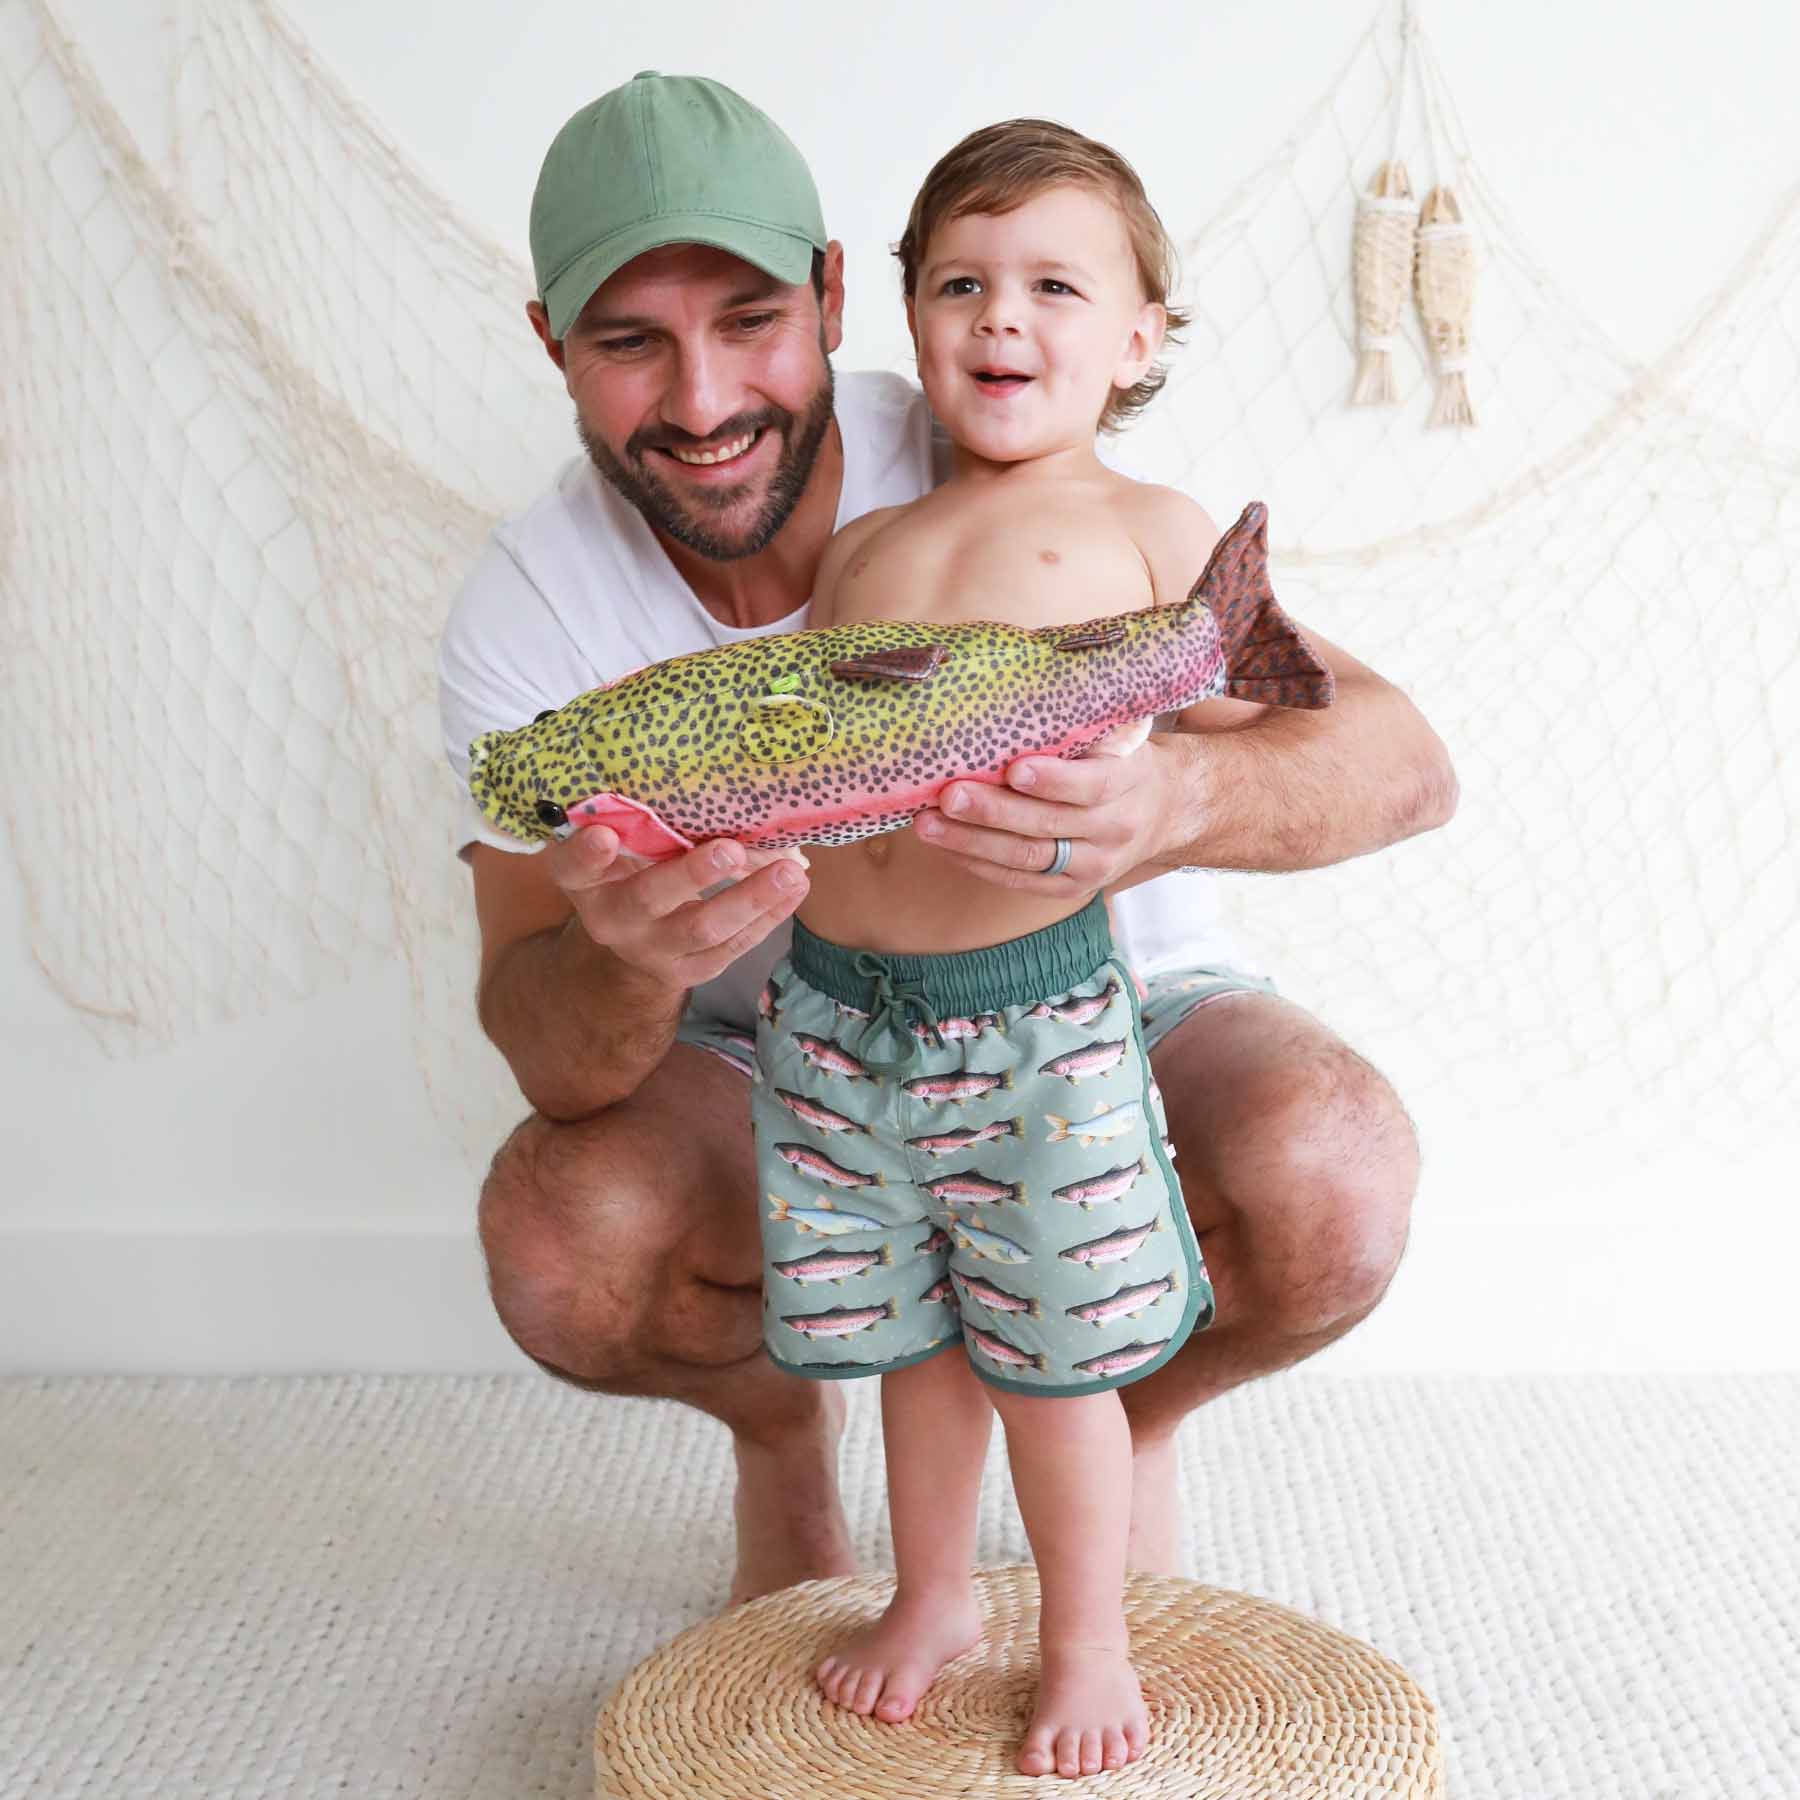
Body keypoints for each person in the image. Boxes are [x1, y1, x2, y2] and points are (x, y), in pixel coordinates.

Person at [438, 72, 1455, 1773]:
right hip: (822, 1034)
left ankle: (1117, 1443)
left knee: (1317, 1180)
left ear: (836, 303)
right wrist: (631, 943)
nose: (700, 397)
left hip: (1068, 1003)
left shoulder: (1027, 436)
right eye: (629, 343)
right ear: (549, 345)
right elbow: (533, 1034)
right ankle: (801, 1463)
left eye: (750, 321)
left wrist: (1171, 802)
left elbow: (1402, 764)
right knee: (611, 1240)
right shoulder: (539, 606)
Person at [747, 118, 1336, 1777]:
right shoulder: (860, 550)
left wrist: (1155, 773)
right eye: (962, 283)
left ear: (1140, 339)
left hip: (1030, 1025)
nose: (1003, 318)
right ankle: (931, 1594)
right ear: (914, 321)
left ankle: (1083, 1636)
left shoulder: (1151, 529)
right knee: (916, 1345)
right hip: (836, 1018)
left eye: (1055, 286)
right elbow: (821, 753)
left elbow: (1262, 719)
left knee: (1053, 1359)